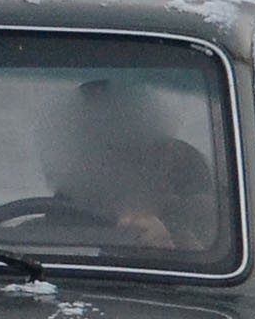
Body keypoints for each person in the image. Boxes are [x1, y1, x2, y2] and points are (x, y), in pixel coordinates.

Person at [35, 77, 216, 250]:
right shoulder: (29, 237)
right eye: (99, 153)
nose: (110, 172)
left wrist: (166, 251)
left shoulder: (199, 241)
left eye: (137, 159)